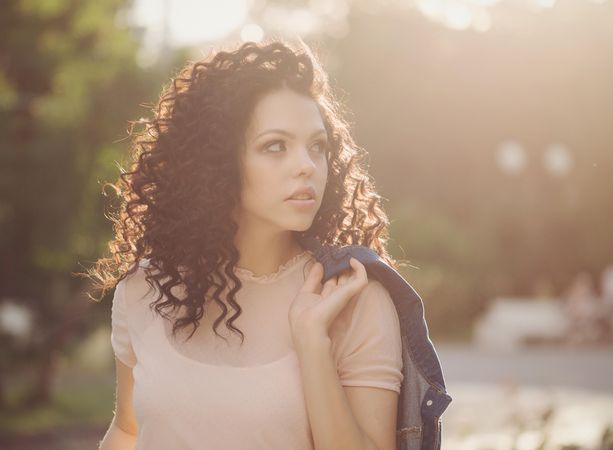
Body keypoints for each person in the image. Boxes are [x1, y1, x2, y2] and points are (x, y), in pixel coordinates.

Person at [91, 38, 405, 450]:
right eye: (275, 146)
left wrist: (312, 341)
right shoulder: (144, 291)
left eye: (318, 147)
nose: (306, 166)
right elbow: (129, 431)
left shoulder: (352, 297)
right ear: (217, 164)